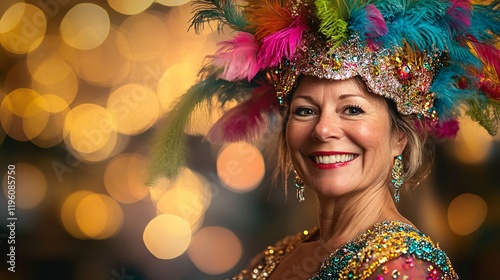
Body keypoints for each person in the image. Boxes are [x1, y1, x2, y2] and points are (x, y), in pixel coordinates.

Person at [146, 0, 500, 279]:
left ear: (399, 138)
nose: (323, 130)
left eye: (353, 110)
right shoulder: (284, 252)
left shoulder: (406, 270)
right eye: (304, 110)